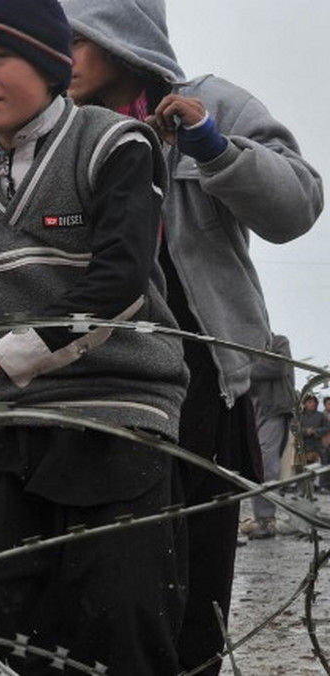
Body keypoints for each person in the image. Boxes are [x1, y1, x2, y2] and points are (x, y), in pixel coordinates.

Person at [0, 0, 190, 670]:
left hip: (121, 414)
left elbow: (118, 283)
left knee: (118, 616)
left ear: (52, 63)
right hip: (16, 423)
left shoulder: (115, 143)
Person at [61, 1, 324, 670]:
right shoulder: (60, 133)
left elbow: (297, 206)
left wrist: (212, 146)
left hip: (203, 376)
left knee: (196, 579)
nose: (57, 59)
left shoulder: (209, 105)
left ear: (121, 38)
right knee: (111, 580)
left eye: (74, 41)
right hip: (103, 376)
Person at [241, 334, 295, 540]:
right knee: (257, 464)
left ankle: (265, 521)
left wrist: (245, 366)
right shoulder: (248, 344)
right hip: (254, 410)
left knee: (266, 466)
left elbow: (278, 367)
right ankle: (262, 519)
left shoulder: (279, 342)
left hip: (273, 411)